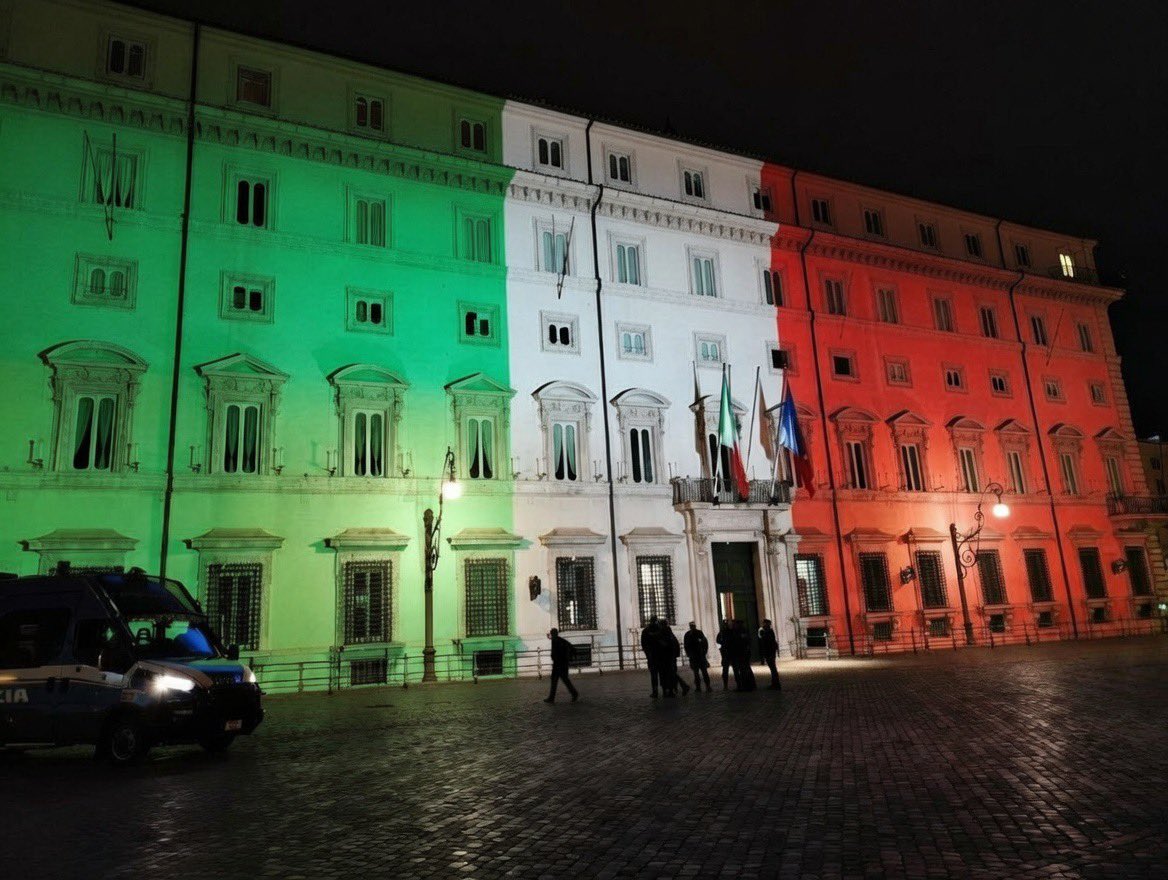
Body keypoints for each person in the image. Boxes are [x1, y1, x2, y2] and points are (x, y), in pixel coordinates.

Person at [543, 628, 579, 703]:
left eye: (551, 633)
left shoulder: (556, 640)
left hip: (559, 665)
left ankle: (574, 694)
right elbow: (571, 647)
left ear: (553, 633)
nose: (551, 635)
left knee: (559, 680)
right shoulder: (559, 640)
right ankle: (552, 697)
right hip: (561, 664)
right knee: (560, 680)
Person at [657, 622, 690, 697]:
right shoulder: (669, 634)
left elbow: (667, 645)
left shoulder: (666, 634)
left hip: (666, 657)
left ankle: (676, 688)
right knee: (671, 674)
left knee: (670, 674)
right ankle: (678, 688)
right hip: (669, 657)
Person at [683, 621, 712, 692]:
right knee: (696, 673)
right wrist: (689, 654)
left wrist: (704, 652)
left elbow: (704, 643)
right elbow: (686, 645)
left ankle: (707, 686)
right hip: (694, 656)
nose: (692, 627)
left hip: (700, 655)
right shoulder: (688, 634)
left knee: (704, 672)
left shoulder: (698, 633)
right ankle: (699, 687)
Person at [732, 619, 756, 691]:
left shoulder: (742, 631)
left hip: (742, 653)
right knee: (745, 669)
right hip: (741, 653)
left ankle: (747, 686)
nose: (734, 625)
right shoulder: (738, 631)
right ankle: (749, 685)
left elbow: (744, 642)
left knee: (744, 670)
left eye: (735, 624)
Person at [641, 617, 663, 698]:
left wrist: (648, 655)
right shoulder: (660, 630)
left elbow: (644, 645)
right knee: (661, 674)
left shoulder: (646, 631)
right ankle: (664, 690)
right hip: (659, 656)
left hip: (653, 657)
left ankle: (655, 691)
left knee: (654, 675)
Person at [758, 618, 781, 690]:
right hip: (769, 652)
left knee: (773, 668)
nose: (763, 624)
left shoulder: (768, 631)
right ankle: (775, 683)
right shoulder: (767, 631)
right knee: (772, 668)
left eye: (765, 623)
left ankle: (776, 684)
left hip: (770, 652)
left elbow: (766, 641)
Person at [716, 619, 735, 690]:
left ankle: (739, 684)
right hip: (725, 653)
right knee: (725, 671)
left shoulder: (731, 632)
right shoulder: (721, 634)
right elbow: (718, 642)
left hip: (731, 653)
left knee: (735, 669)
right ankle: (725, 685)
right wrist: (721, 650)